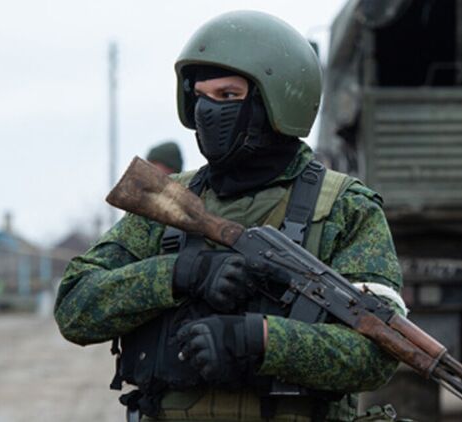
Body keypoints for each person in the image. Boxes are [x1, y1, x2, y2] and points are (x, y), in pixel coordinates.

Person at [54, 10, 405, 422]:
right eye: (200, 96)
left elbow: (378, 354)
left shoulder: (346, 208)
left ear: (277, 102)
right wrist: (180, 273)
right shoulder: (167, 204)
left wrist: (259, 341)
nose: (207, 111)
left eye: (227, 96)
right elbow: (75, 308)